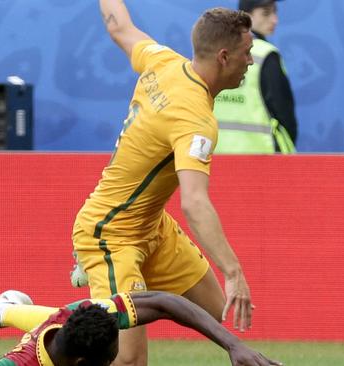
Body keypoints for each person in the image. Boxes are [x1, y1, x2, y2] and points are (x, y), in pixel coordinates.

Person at [71, 1, 258, 365]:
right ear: (224, 56)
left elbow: (119, 27)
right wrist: (233, 271)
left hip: (154, 229)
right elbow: (194, 202)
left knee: (222, 316)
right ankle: (42, 325)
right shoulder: (195, 119)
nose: (250, 60)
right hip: (111, 234)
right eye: (247, 52)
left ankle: (95, 296)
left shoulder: (162, 60)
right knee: (129, 361)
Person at [0, 290, 282, 366]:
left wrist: (234, 345)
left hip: (59, 318)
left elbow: (162, 302)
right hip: (41, 338)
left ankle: (3, 310)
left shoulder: (88, 313)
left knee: (48, 314)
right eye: (109, 362)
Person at [213, 0, 298, 154]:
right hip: (262, 160)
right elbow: (285, 116)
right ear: (245, 17)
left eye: (275, 11)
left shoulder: (215, 52)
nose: (274, 19)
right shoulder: (266, 54)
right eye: (266, 13)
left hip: (216, 159)